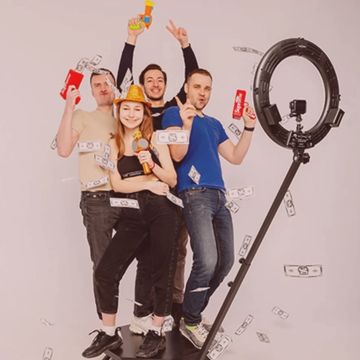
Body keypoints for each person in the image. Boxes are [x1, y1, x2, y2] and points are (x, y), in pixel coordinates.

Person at [83, 84, 181, 358]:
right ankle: (109, 333)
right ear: (119, 110)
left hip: (162, 210)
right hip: (132, 213)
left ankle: (156, 332)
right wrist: (149, 183)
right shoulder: (112, 142)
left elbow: (171, 180)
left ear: (145, 112)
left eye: (136, 109)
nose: (130, 113)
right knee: (105, 272)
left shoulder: (157, 139)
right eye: (126, 108)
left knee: (161, 271)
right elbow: (116, 185)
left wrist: (153, 165)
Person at [162, 68, 257, 349]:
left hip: (219, 196)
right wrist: (186, 124)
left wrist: (249, 127)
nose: (202, 93)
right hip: (194, 195)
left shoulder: (215, 123)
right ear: (187, 88)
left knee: (225, 261)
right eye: (197, 87)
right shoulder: (173, 114)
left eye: (207, 88)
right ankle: (191, 320)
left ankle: (191, 314)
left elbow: (236, 157)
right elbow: (177, 155)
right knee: (207, 260)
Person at [116, 17, 198, 331]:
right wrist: (131, 39)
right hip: (142, 190)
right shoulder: (137, 112)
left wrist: (185, 46)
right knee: (146, 252)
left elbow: (194, 79)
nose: (154, 84)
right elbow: (123, 80)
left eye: (158, 80)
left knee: (177, 250)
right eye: (148, 80)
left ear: (165, 84)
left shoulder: (175, 108)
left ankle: (172, 307)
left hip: (175, 189)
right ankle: (146, 310)